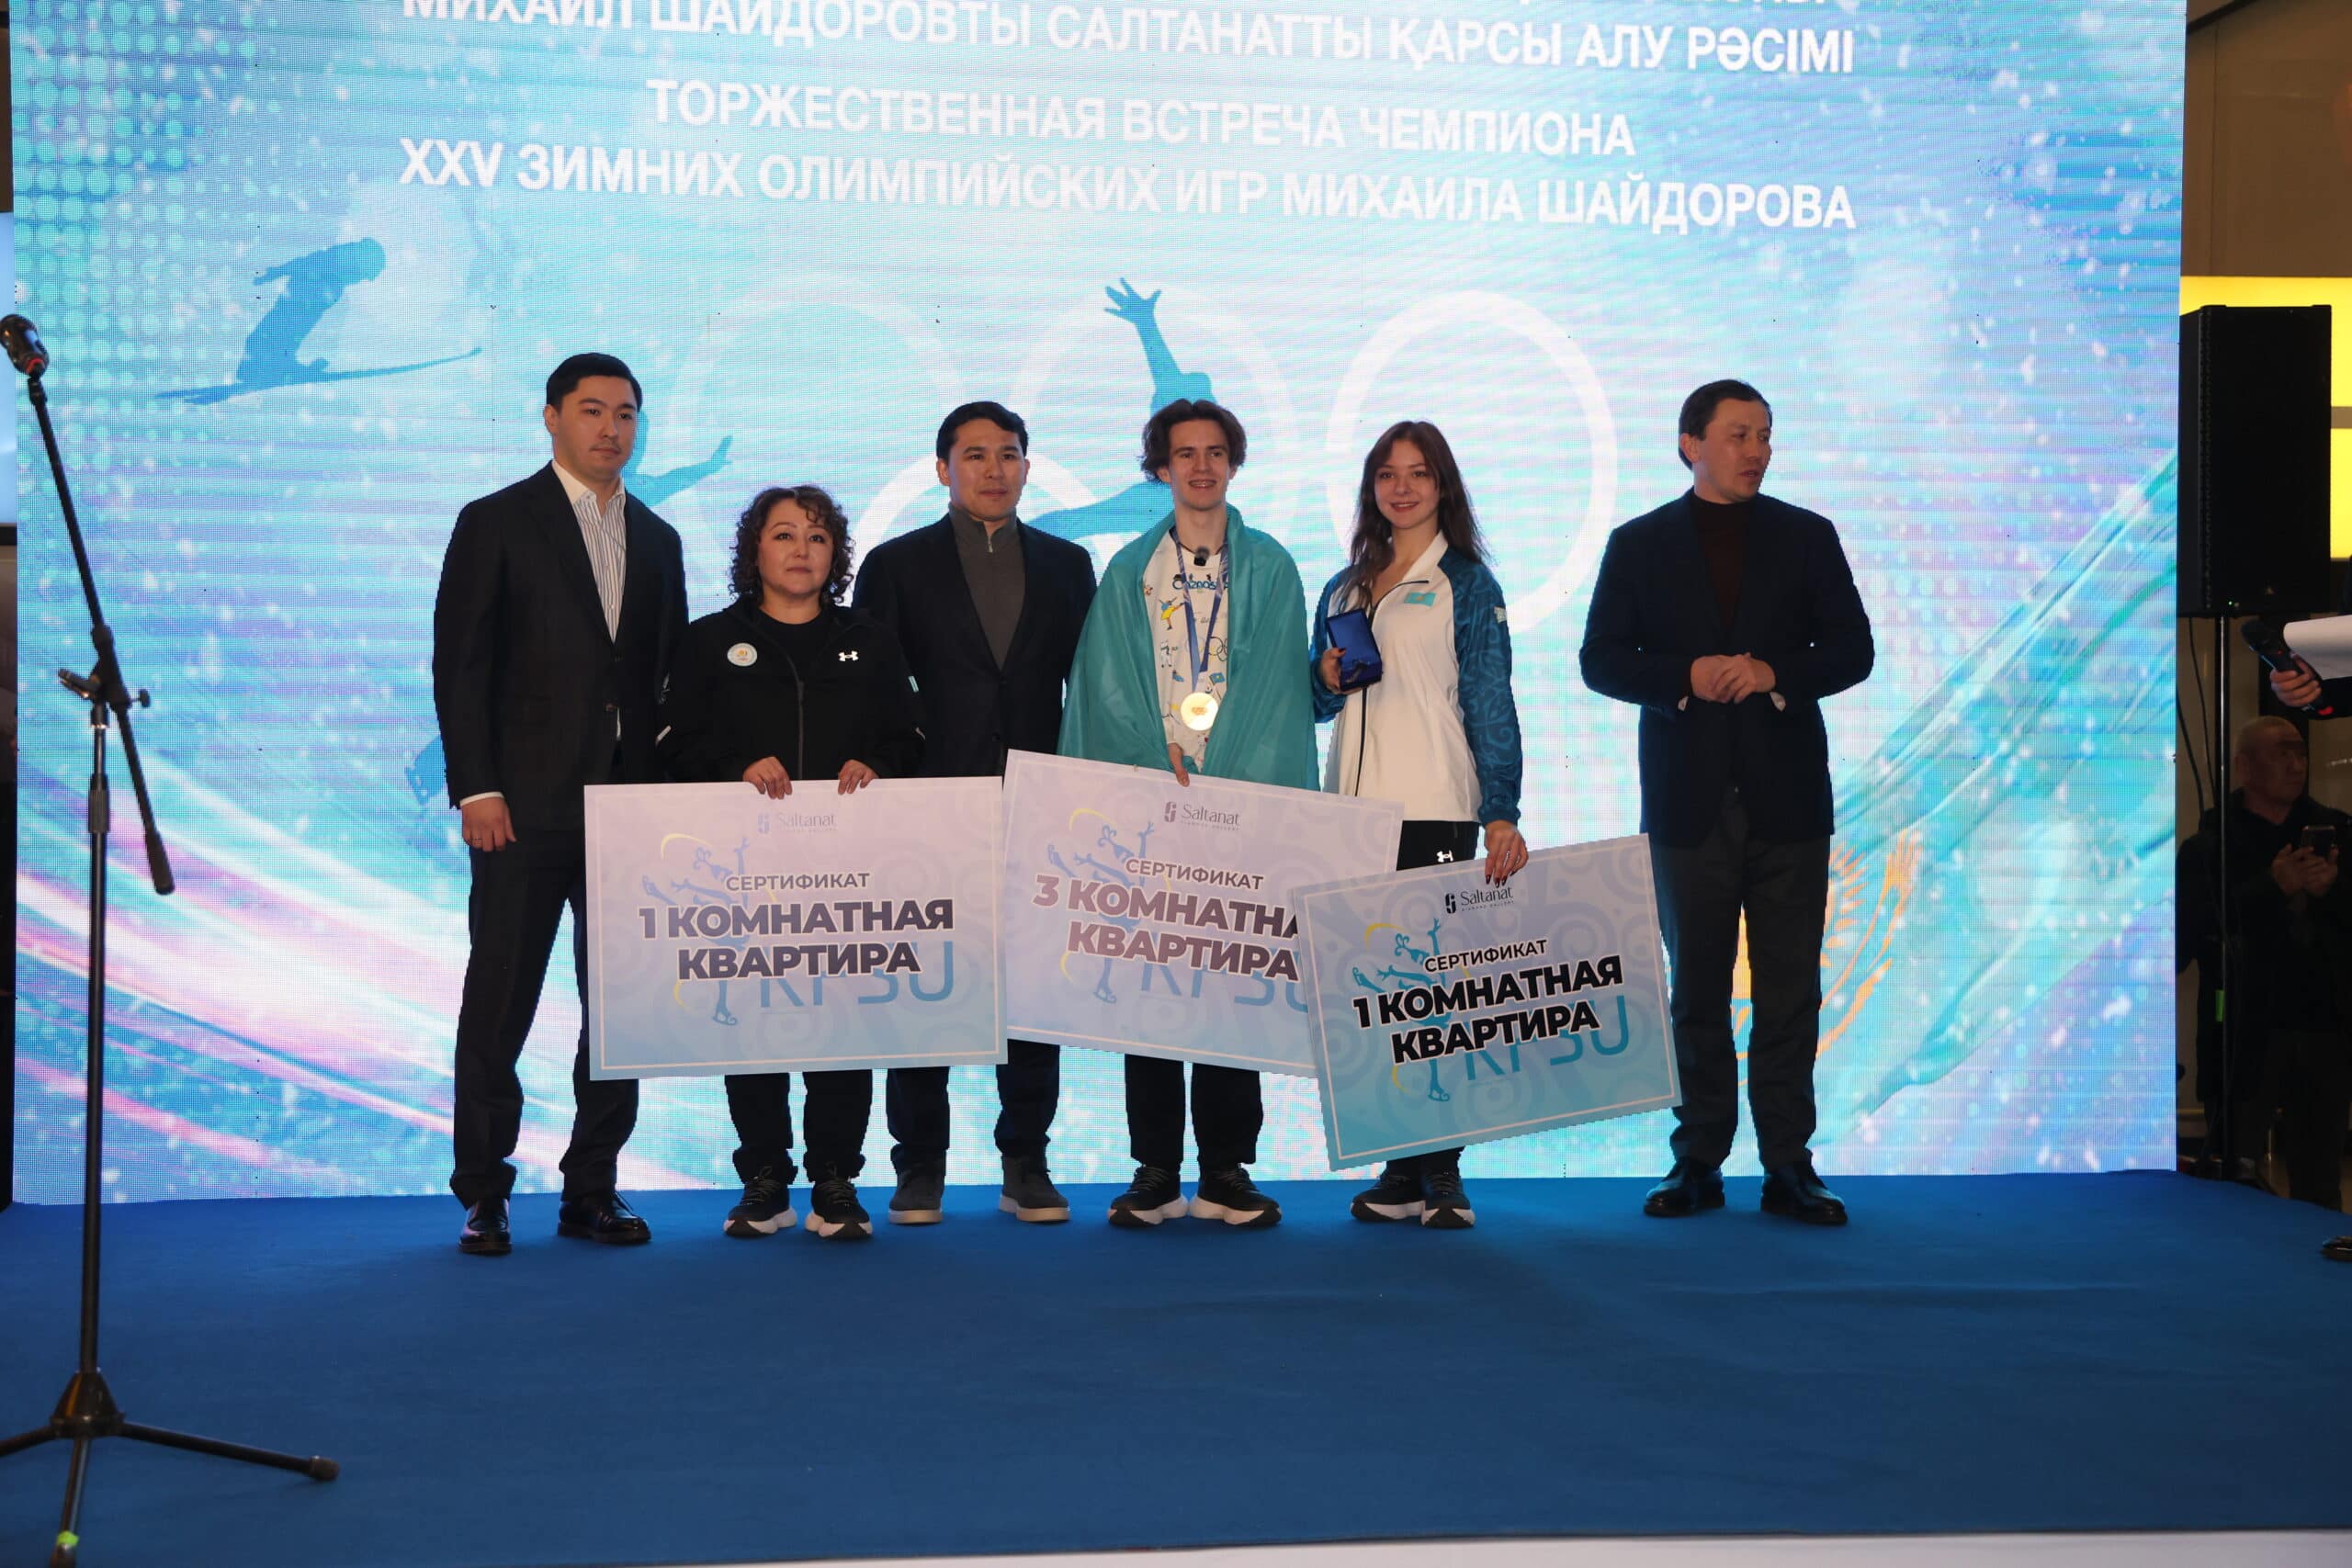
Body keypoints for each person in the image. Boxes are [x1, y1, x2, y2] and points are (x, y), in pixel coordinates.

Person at [1578, 379, 1874, 1226]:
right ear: (1691, 444)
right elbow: (1601, 659)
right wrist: (1685, 675)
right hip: (1687, 804)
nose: (1757, 451)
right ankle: (1698, 1160)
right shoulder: (1639, 544)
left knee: (1791, 991)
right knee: (1695, 993)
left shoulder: (1808, 536)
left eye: (1765, 435)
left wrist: (1776, 671)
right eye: (1740, 434)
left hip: (1790, 803)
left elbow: (1853, 649)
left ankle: (1789, 1164)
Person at [433, 353, 688, 1256]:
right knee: (500, 999)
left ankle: (592, 1186)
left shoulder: (659, 539)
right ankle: (483, 1191)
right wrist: (477, 784)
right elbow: (461, 663)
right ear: (551, 417)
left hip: (628, 813)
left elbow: (668, 682)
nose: (610, 429)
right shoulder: (497, 520)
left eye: (625, 413)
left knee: (620, 1010)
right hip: (520, 807)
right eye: (591, 410)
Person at [1059, 398, 1317, 1229]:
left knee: (1231, 980)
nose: (1200, 467)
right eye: (1184, 454)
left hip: (1240, 803)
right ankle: (1155, 1169)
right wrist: (1150, 752)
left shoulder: (1271, 566)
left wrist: (1232, 770)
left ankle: (1226, 1169)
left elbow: (1281, 692)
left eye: (1214, 452)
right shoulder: (1130, 568)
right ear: (1160, 467)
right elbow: (1102, 687)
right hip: (1152, 802)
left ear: (1233, 463)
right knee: (1153, 978)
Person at [656, 485, 926, 1241]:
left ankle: (836, 1178)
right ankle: (765, 1179)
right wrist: (735, 765)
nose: (800, 550)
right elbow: (672, 742)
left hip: (849, 872)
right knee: (754, 1018)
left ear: (835, 554)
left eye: (816, 536)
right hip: (742, 873)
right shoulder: (710, 641)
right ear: (754, 551)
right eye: (783, 535)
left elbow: (912, 737)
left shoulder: (872, 641)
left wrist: (878, 764)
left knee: (843, 1020)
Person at [852, 402, 1098, 1225]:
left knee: (1031, 996)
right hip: (929, 810)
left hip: (1039, 810)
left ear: (1028, 466)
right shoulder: (895, 564)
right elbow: (873, 694)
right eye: (976, 455)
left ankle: (1026, 1160)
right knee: (924, 987)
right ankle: (919, 1164)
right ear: (942, 469)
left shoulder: (1069, 565)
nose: (995, 470)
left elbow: (1092, 687)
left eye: (1010, 454)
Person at [1308, 420, 1527, 1230]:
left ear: (1443, 487)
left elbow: (1490, 699)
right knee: (1377, 994)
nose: (1402, 488)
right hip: (1351, 816)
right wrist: (1324, 677)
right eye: (1388, 474)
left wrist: (1500, 809)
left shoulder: (1466, 583)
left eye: (1419, 473)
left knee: (1434, 990)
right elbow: (1320, 702)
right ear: (1372, 487)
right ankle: (1400, 1169)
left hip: (1434, 805)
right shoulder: (1343, 587)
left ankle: (1443, 1172)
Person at [2176, 716, 2351, 1209]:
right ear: (2244, 766)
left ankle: (2316, 1259)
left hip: (2325, 1031)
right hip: (2241, 1032)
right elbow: (2189, 937)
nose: (2297, 764)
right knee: (2235, 1182)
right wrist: (2271, 889)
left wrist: (2332, 890)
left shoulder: (2340, 834)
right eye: (2282, 753)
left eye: (2301, 753)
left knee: (2319, 1182)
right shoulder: (2210, 845)